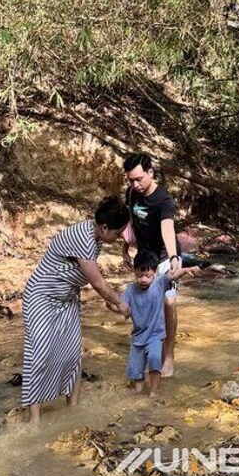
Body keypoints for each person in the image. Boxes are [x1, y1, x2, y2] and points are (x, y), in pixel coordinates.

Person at [22, 196, 131, 422]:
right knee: (40, 353)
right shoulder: (83, 237)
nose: (120, 237)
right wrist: (120, 302)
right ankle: (34, 420)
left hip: (67, 298)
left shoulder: (97, 237)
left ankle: (73, 411)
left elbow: (87, 276)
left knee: (72, 355)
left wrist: (109, 299)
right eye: (117, 232)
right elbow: (98, 283)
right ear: (104, 227)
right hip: (41, 297)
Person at [122, 153, 182, 377]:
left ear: (150, 173)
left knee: (168, 302)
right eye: (130, 180)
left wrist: (175, 258)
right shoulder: (131, 193)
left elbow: (167, 228)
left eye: (139, 179)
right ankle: (147, 346)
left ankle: (168, 355)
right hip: (145, 258)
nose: (135, 185)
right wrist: (124, 248)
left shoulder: (163, 198)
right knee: (145, 302)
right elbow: (132, 223)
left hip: (167, 256)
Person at [112, 250, 199, 397]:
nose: (144, 280)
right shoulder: (130, 291)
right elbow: (121, 308)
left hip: (155, 335)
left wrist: (185, 270)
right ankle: (138, 391)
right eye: (139, 276)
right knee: (137, 379)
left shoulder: (159, 283)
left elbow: (172, 276)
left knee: (154, 361)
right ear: (134, 272)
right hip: (138, 337)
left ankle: (153, 393)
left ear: (154, 273)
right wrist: (110, 305)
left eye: (148, 276)